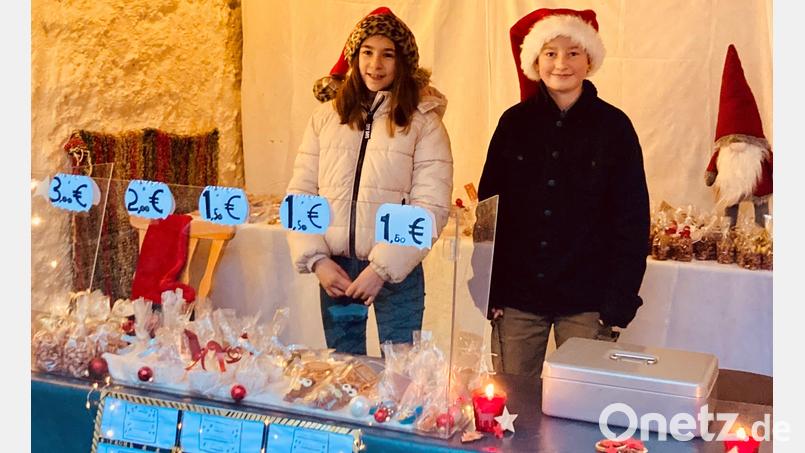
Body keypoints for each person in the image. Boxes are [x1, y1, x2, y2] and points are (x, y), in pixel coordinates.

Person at [478, 8, 649, 377]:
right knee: (512, 397)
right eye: (550, 53)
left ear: (589, 60)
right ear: (536, 61)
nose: (561, 64)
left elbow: (633, 220)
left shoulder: (615, 128)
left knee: (582, 401)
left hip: (589, 300)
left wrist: (618, 302)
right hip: (518, 298)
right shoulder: (513, 124)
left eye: (573, 53)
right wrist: (489, 290)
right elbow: (488, 212)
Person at [286, 7, 453, 355]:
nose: (375, 64)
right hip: (336, 268)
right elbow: (301, 192)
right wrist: (317, 261)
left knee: (402, 370)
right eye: (367, 52)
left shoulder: (425, 123)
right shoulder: (325, 118)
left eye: (387, 54)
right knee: (345, 368)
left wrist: (381, 268)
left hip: (397, 271)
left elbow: (430, 205)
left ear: (403, 62)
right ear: (354, 57)